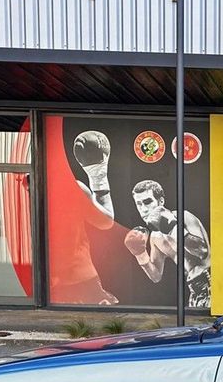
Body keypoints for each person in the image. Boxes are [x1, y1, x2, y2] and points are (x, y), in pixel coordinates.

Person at [50, 129, 119, 304]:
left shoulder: (29, 189)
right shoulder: (74, 189)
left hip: (49, 280)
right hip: (80, 277)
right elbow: (106, 221)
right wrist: (98, 175)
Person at [124, 179, 212, 309]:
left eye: (148, 202)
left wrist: (173, 228)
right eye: (139, 204)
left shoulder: (183, 217)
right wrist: (140, 254)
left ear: (161, 201)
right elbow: (156, 276)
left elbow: (202, 251)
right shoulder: (155, 237)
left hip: (214, 283)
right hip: (195, 292)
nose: (143, 209)